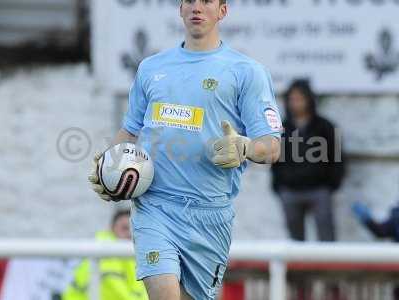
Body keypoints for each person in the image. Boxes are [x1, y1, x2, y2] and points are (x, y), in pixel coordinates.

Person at [88, 0, 282, 299]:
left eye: (207, 1)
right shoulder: (152, 68)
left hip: (210, 215)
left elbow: (271, 147)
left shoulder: (247, 72)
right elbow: (130, 130)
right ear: (180, 8)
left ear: (223, 10)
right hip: (155, 207)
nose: (197, 7)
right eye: (190, 0)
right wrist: (108, 168)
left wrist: (244, 147)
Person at [271, 79, 345, 241]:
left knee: (326, 237)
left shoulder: (325, 127)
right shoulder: (281, 129)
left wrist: (331, 184)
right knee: (295, 240)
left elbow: (338, 157)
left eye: (299, 99)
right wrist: (279, 185)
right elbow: (275, 160)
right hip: (290, 191)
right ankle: (299, 268)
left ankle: (327, 266)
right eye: (292, 99)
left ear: (309, 99)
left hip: (319, 190)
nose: (295, 104)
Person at [62, 210, 148, 300]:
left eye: (134, 228)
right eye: (125, 228)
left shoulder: (129, 254)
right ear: (112, 228)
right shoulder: (105, 252)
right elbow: (115, 293)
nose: (130, 233)